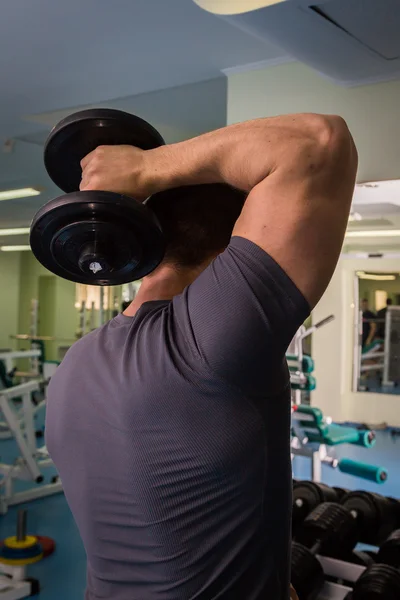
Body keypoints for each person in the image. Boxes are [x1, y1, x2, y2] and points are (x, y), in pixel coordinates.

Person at [46, 113, 357, 600]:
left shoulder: (74, 364)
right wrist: (145, 168)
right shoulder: (207, 342)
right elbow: (318, 143)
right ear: (234, 244)